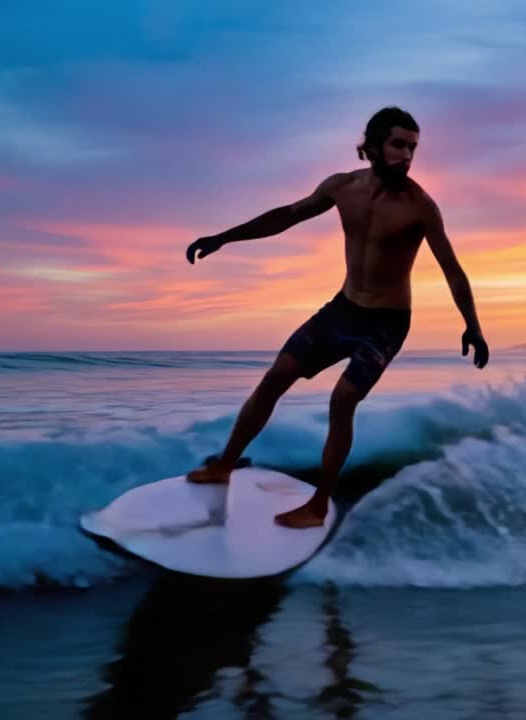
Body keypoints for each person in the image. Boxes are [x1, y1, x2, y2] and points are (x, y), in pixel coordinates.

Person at [183, 107, 489, 528]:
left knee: (342, 399)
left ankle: (318, 505)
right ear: (374, 144)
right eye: (399, 144)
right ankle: (225, 464)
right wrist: (224, 238)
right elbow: (287, 216)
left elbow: (452, 268)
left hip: (386, 323)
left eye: (413, 148)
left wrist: (472, 324)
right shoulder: (343, 187)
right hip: (343, 310)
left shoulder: (420, 206)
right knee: (277, 375)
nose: (407, 156)